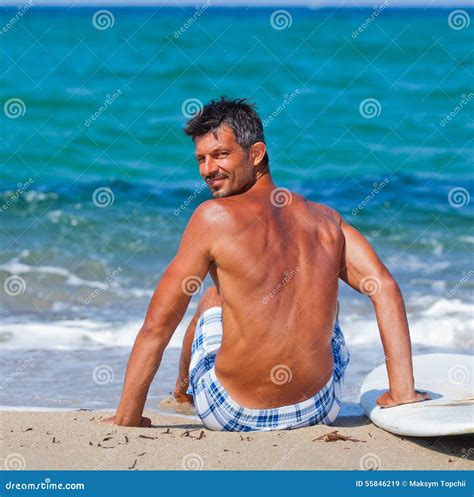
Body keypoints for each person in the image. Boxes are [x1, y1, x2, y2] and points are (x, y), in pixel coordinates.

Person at [104, 96, 430, 431]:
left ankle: (182, 392)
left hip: (232, 413)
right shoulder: (326, 219)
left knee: (212, 299)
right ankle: (403, 391)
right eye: (201, 159)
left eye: (220, 155)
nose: (207, 170)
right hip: (319, 407)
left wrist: (127, 417)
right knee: (323, 299)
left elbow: (157, 326)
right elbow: (385, 287)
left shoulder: (211, 218)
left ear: (256, 153)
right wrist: (401, 392)